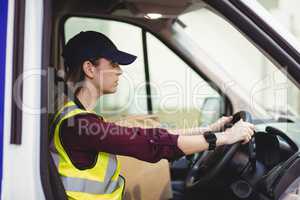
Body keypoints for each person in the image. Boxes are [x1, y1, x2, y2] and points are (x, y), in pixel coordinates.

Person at [49, 31, 255, 200]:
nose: (120, 71)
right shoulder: (78, 125)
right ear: (89, 69)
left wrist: (208, 130)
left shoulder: (77, 117)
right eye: (113, 64)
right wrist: (225, 138)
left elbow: (146, 134)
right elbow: (148, 143)